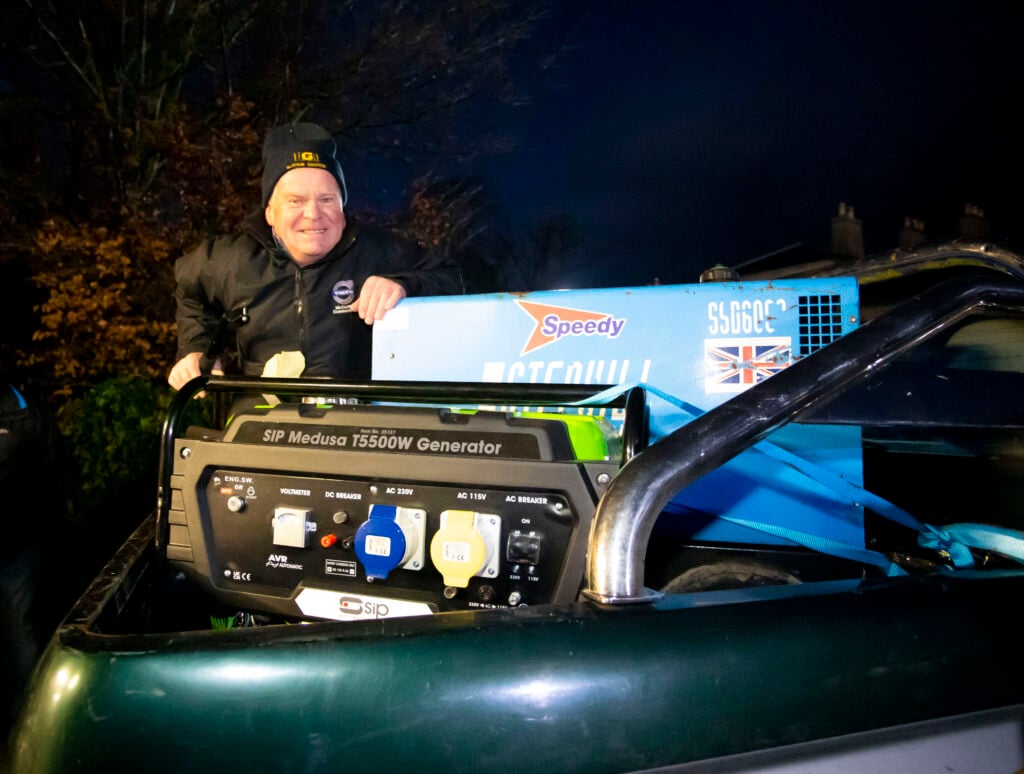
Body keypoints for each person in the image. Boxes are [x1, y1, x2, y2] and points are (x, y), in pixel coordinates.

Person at [168, 122, 463, 389]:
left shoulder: (379, 251)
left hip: (357, 425)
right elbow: (191, 291)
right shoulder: (232, 259)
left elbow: (453, 279)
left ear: (342, 207)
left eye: (326, 200)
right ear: (270, 212)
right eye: (295, 201)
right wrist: (196, 350)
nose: (313, 214)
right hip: (259, 421)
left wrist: (404, 285)